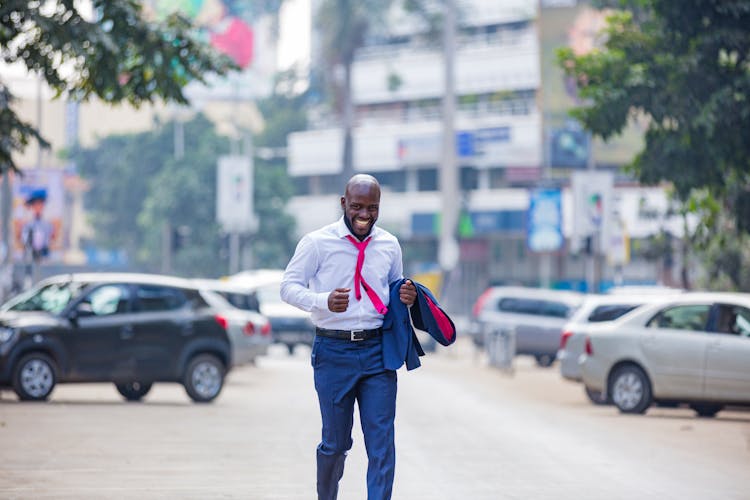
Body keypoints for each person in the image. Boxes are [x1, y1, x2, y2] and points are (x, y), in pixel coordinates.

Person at [280, 174, 417, 500]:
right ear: (344, 204)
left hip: (376, 353)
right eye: (357, 207)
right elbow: (288, 287)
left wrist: (407, 295)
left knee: (381, 441)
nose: (364, 215)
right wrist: (322, 300)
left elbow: (395, 286)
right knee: (336, 443)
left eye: (372, 208)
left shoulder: (389, 244)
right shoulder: (316, 243)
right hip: (332, 351)